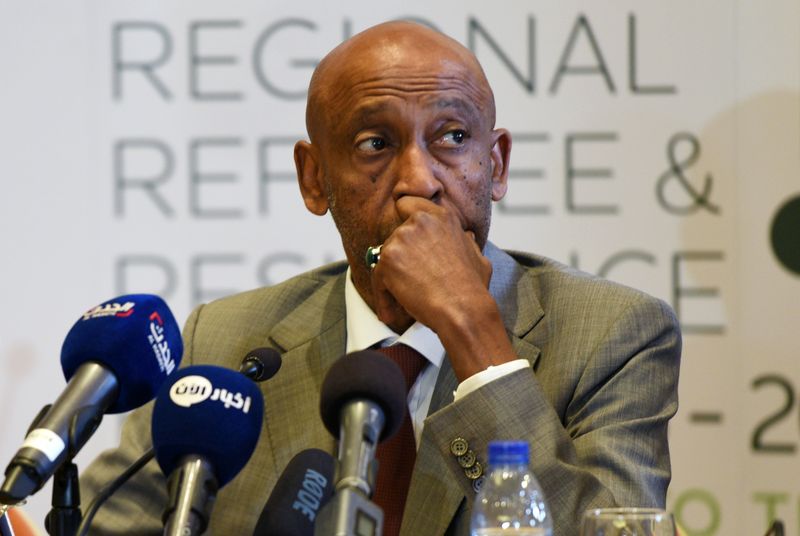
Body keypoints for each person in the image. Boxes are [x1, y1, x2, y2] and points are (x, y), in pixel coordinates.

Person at [80, 21, 680, 536]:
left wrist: (474, 334)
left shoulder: (613, 335)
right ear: (315, 178)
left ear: (494, 165)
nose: (419, 180)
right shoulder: (227, 339)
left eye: (452, 138)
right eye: (375, 143)